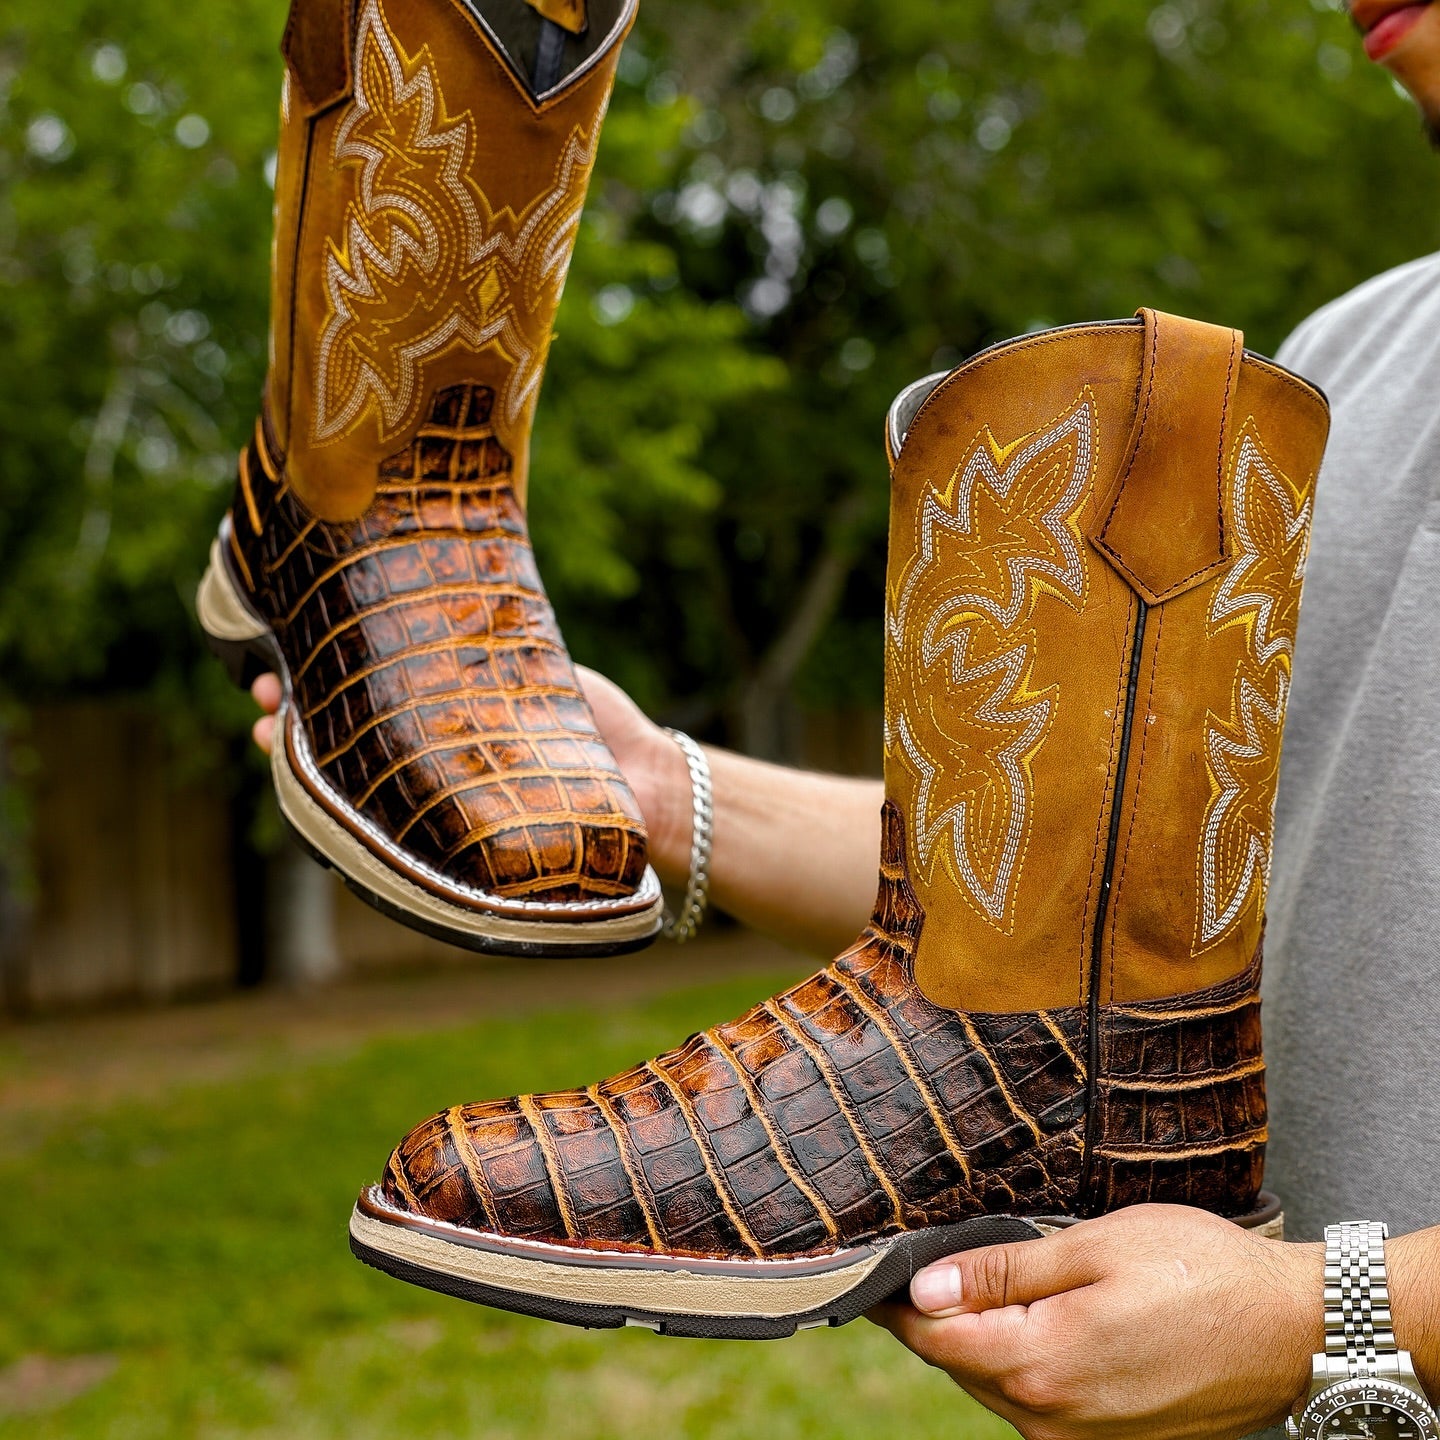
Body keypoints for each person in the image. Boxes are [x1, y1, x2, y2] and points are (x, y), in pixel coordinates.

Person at [247, 1, 1440, 1433]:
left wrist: (1328, 1319)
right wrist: (668, 790)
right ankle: (323, 514)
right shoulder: (1360, 357)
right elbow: (1116, 895)